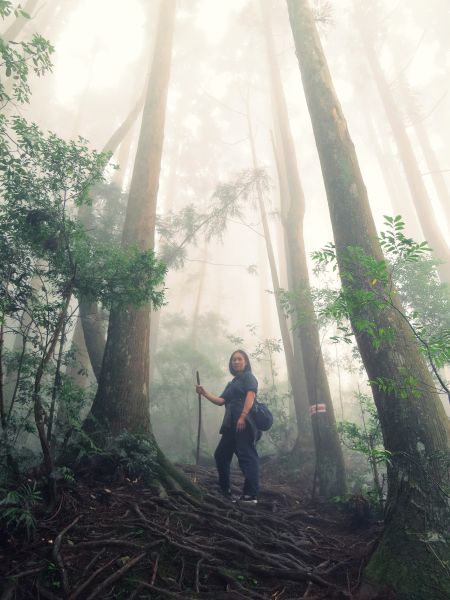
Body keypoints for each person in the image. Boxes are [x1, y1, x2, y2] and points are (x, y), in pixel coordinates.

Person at [196, 349, 259, 504]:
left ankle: (250, 495)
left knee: (247, 457)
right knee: (221, 455)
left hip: (244, 423)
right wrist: (204, 393)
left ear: (245, 362)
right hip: (230, 425)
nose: (236, 362)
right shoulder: (232, 383)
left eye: (239, 359)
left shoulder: (249, 377)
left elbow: (251, 397)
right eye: (233, 360)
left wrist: (243, 417)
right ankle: (226, 491)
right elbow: (220, 401)